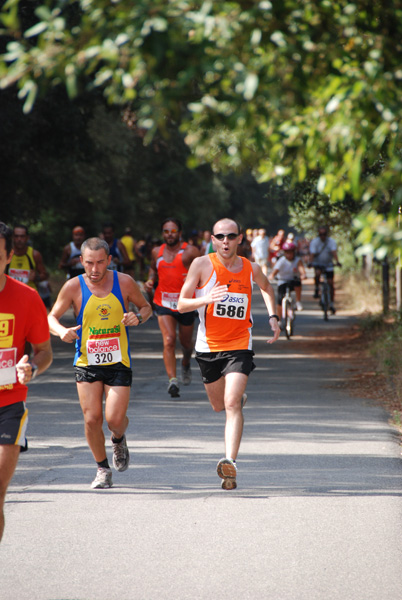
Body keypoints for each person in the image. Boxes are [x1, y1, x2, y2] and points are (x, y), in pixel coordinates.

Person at [177, 218, 280, 490]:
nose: (226, 241)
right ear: (213, 239)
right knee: (218, 405)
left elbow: (267, 288)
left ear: (239, 239)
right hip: (208, 347)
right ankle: (235, 398)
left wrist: (273, 316)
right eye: (220, 236)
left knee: (232, 403)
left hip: (239, 345)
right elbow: (181, 304)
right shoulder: (201, 264)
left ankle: (230, 463)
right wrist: (206, 299)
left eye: (231, 236)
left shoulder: (250, 268)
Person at [48, 237, 152, 489]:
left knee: (114, 419)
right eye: (89, 263)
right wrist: (61, 331)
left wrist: (138, 317)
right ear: (81, 261)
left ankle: (118, 438)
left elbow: (146, 307)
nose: (94, 270)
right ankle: (102, 469)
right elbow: (51, 317)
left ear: (109, 260)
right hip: (86, 361)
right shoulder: (73, 286)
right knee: (92, 419)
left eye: (100, 263)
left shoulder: (124, 282)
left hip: (118, 361)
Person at [0, 222, 52, 542]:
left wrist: (31, 367)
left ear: (8, 257)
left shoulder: (27, 298)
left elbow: (44, 352)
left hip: (8, 403)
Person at [144, 218, 200, 398]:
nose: (169, 234)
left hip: (186, 303)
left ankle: (185, 362)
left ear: (180, 233)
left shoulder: (190, 251)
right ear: (162, 234)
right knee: (168, 340)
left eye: (173, 231)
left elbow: (204, 272)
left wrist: (193, 279)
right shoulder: (156, 251)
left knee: (185, 343)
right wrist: (151, 280)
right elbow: (153, 269)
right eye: (166, 231)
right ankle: (172, 381)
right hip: (163, 302)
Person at [269, 241, 306, 317]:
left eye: (290, 252)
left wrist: (303, 275)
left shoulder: (297, 260)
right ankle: (278, 319)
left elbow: (301, 269)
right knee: (279, 301)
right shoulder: (282, 260)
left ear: (293, 252)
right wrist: (272, 275)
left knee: (298, 283)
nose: (288, 254)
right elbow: (275, 270)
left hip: (293, 280)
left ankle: (298, 302)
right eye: (286, 252)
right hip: (283, 281)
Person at [6, 224, 48, 291]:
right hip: (10, 293)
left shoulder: (34, 254)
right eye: (16, 236)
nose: (19, 239)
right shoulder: (6, 254)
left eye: (22, 236)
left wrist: (36, 278)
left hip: (29, 294)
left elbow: (45, 275)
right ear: (12, 237)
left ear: (27, 238)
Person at [309, 226, 340, 311]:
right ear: (318, 234)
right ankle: (316, 288)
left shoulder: (331, 242)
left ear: (327, 234)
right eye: (321, 234)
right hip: (318, 263)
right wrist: (310, 262)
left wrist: (337, 261)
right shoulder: (315, 242)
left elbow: (334, 252)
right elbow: (312, 253)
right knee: (317, 274)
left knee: (330, 283)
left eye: (324, 234)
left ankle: (332, 304)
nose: (322, 236)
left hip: (328, 264)